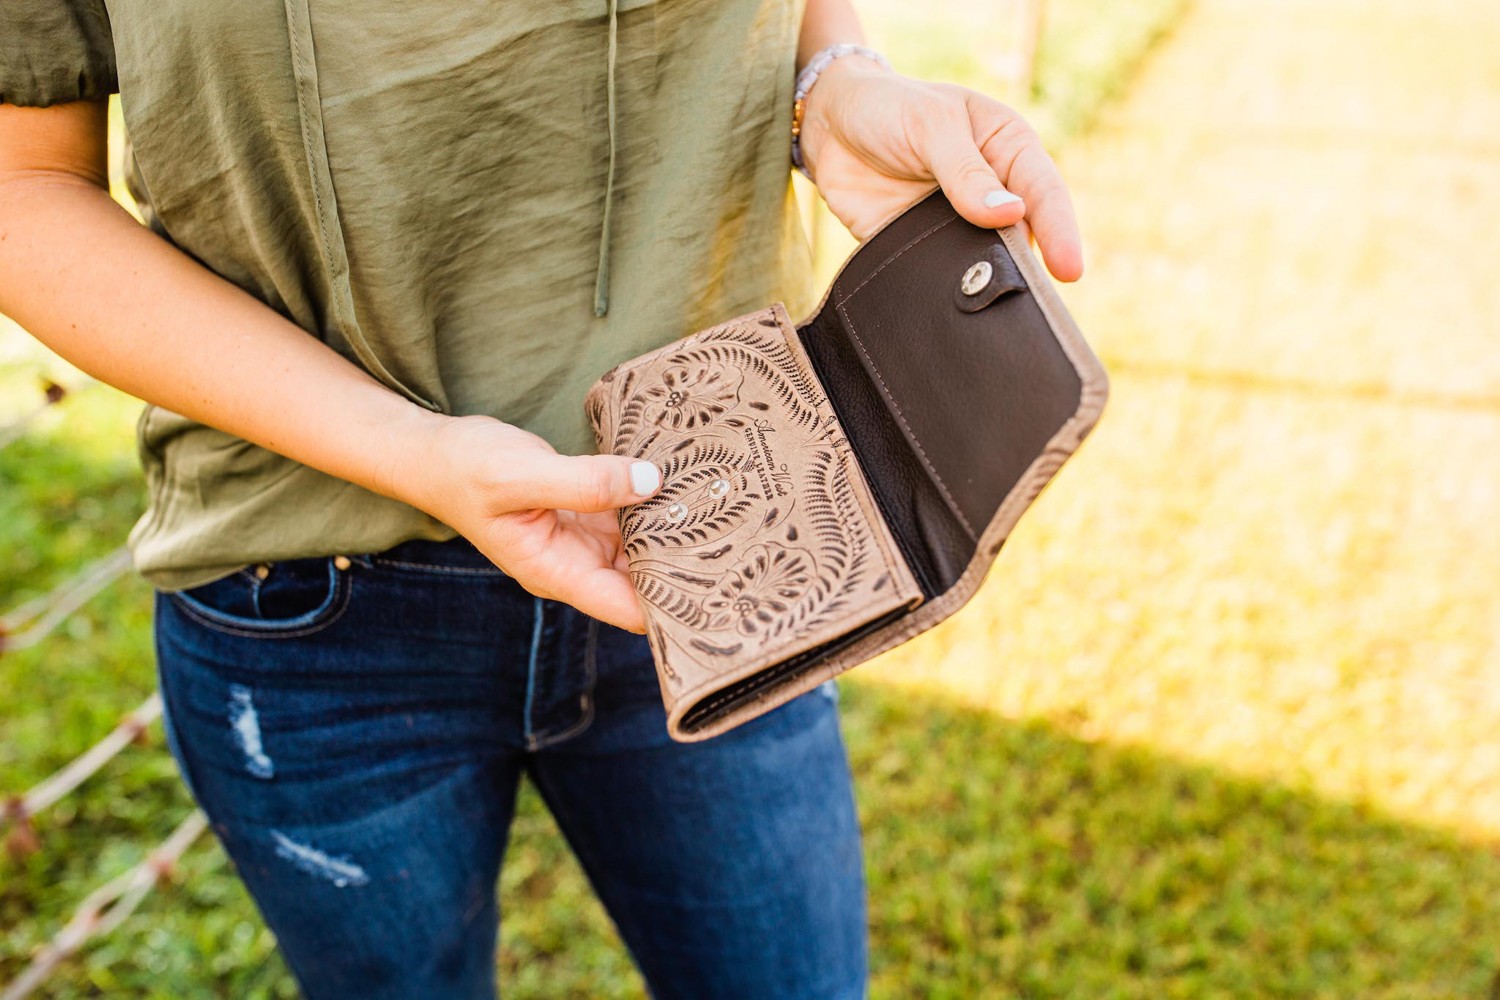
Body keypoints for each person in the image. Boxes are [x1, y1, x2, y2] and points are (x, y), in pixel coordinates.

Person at [0, 0, 1082, 996]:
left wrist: (832, 82)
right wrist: (410, 448)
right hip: (308, 596)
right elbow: (23, 187)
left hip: (723, 536)